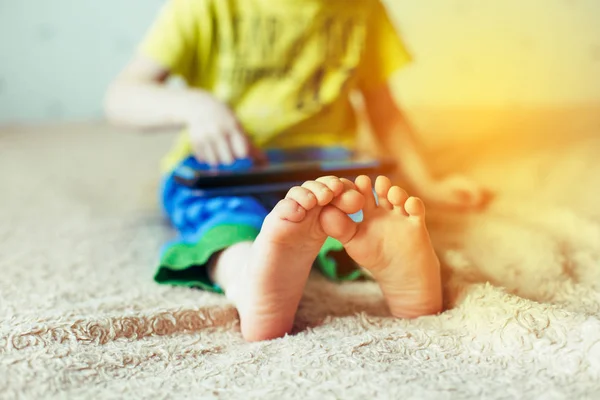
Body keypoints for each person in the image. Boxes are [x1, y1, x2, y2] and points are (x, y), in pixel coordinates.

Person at [104, 0, 487, 342]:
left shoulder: (363, 8)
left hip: (325, 165)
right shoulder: (204, 7)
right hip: (226, 165)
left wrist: (428, 182)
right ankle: (249, 276)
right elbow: (121, 96)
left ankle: (389, 264)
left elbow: (385, 113)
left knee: (355, 209)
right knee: (228, 217)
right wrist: (193, 106)